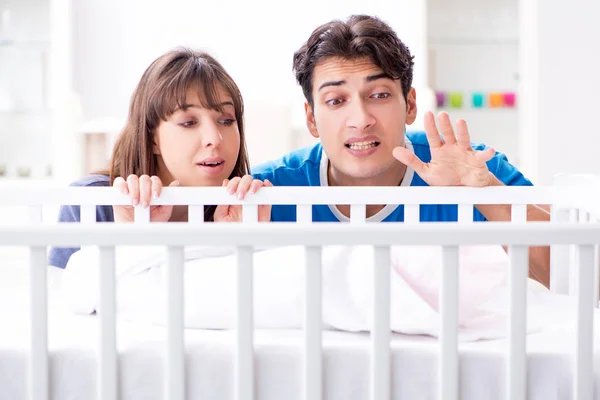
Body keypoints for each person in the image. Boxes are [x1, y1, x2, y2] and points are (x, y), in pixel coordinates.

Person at [245, 14, 551, 287]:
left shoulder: (474, 170)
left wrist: (485, 195)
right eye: (336, 101)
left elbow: (577, 274)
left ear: (411, 105)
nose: (361, 120)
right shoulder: (266, 190)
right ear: (311, 118)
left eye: (379, 95)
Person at [47, 48, 271, 269]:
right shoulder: (92, 203)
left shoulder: (247, 209)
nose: (215, 138)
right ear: (152, 137)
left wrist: (234, 247)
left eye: (226, 120)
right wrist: (133, 241)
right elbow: (63, 301)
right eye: (189, 123)